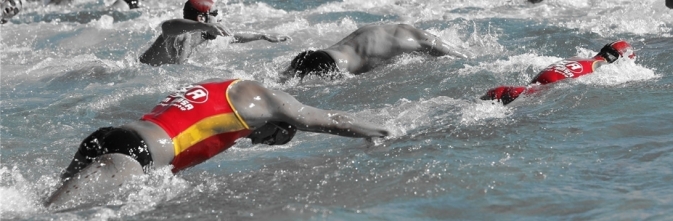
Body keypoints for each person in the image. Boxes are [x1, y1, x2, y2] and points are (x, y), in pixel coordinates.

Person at [44, 78, 390, 209]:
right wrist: (380, 132)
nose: (260, 141)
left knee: (43, 208)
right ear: (277, 124)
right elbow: (328, 120)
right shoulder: (265, 100)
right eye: (274, 138)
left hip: (108, 137)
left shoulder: (219, 89)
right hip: (134, 155)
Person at [281, 23, 468, 81]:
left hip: (313, 55)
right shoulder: (421, 40)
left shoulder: (377, 27)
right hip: (333, 66)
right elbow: (458, 57)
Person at [480, 40, 636, 105]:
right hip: (533, 96)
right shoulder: (601, 69)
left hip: (515, 88)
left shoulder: (577, 57)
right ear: (617, 59)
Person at [139, 0, 291, 66]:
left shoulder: (205, 34)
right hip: (138, 77)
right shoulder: (181, 35)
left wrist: (262, 36)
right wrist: (204, 26)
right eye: (216, 13)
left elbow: (234, 37)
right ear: (201, 18)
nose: (220, 17)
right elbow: (167, 26)